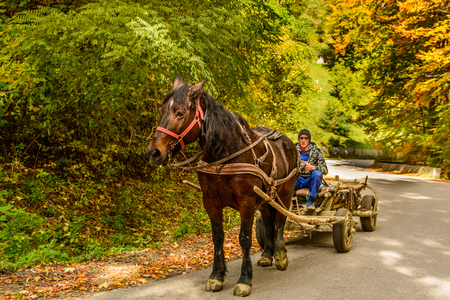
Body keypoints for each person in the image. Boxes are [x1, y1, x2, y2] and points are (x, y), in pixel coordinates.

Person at [295, 129, 328, 209]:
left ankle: (311, 200)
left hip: (311, 181)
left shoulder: (316, 152)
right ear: (298, 139)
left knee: (317, 173)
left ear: (309, 140)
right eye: (301, 138)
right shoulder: (293, 150)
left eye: (306, 138)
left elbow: (325, 170)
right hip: (297, 180)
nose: (303, 141)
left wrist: (313, 167)